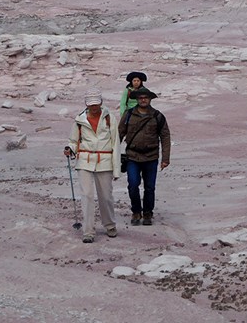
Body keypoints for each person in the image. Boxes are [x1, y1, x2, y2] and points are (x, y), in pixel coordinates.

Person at [64, 88, 121, 242]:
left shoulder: (110, 118)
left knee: (106, 196)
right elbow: (73, 140)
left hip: (104, 161)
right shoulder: (79, 120)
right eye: (91, 105)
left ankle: (109, 225)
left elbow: (116, 143)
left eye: (96, 104)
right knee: (87, 196)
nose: (94, 107)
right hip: (85, 161)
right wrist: (70, 149)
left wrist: (117, 169)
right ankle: (88, 231)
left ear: (101, 102)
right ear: (86, 104)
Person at [118, 86, 170, 226]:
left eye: (145, 97)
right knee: (133, 185)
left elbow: (165, 137)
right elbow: (119, 134)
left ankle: (147, 213)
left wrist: (165, 158)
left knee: (150, 187)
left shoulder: (157, 116)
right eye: (140, 98)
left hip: (151, 157)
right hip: (132, 157)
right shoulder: (128, 114)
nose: (143, 100)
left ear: (150, 99)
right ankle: (136, 211)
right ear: (136, 100)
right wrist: (112, 153)